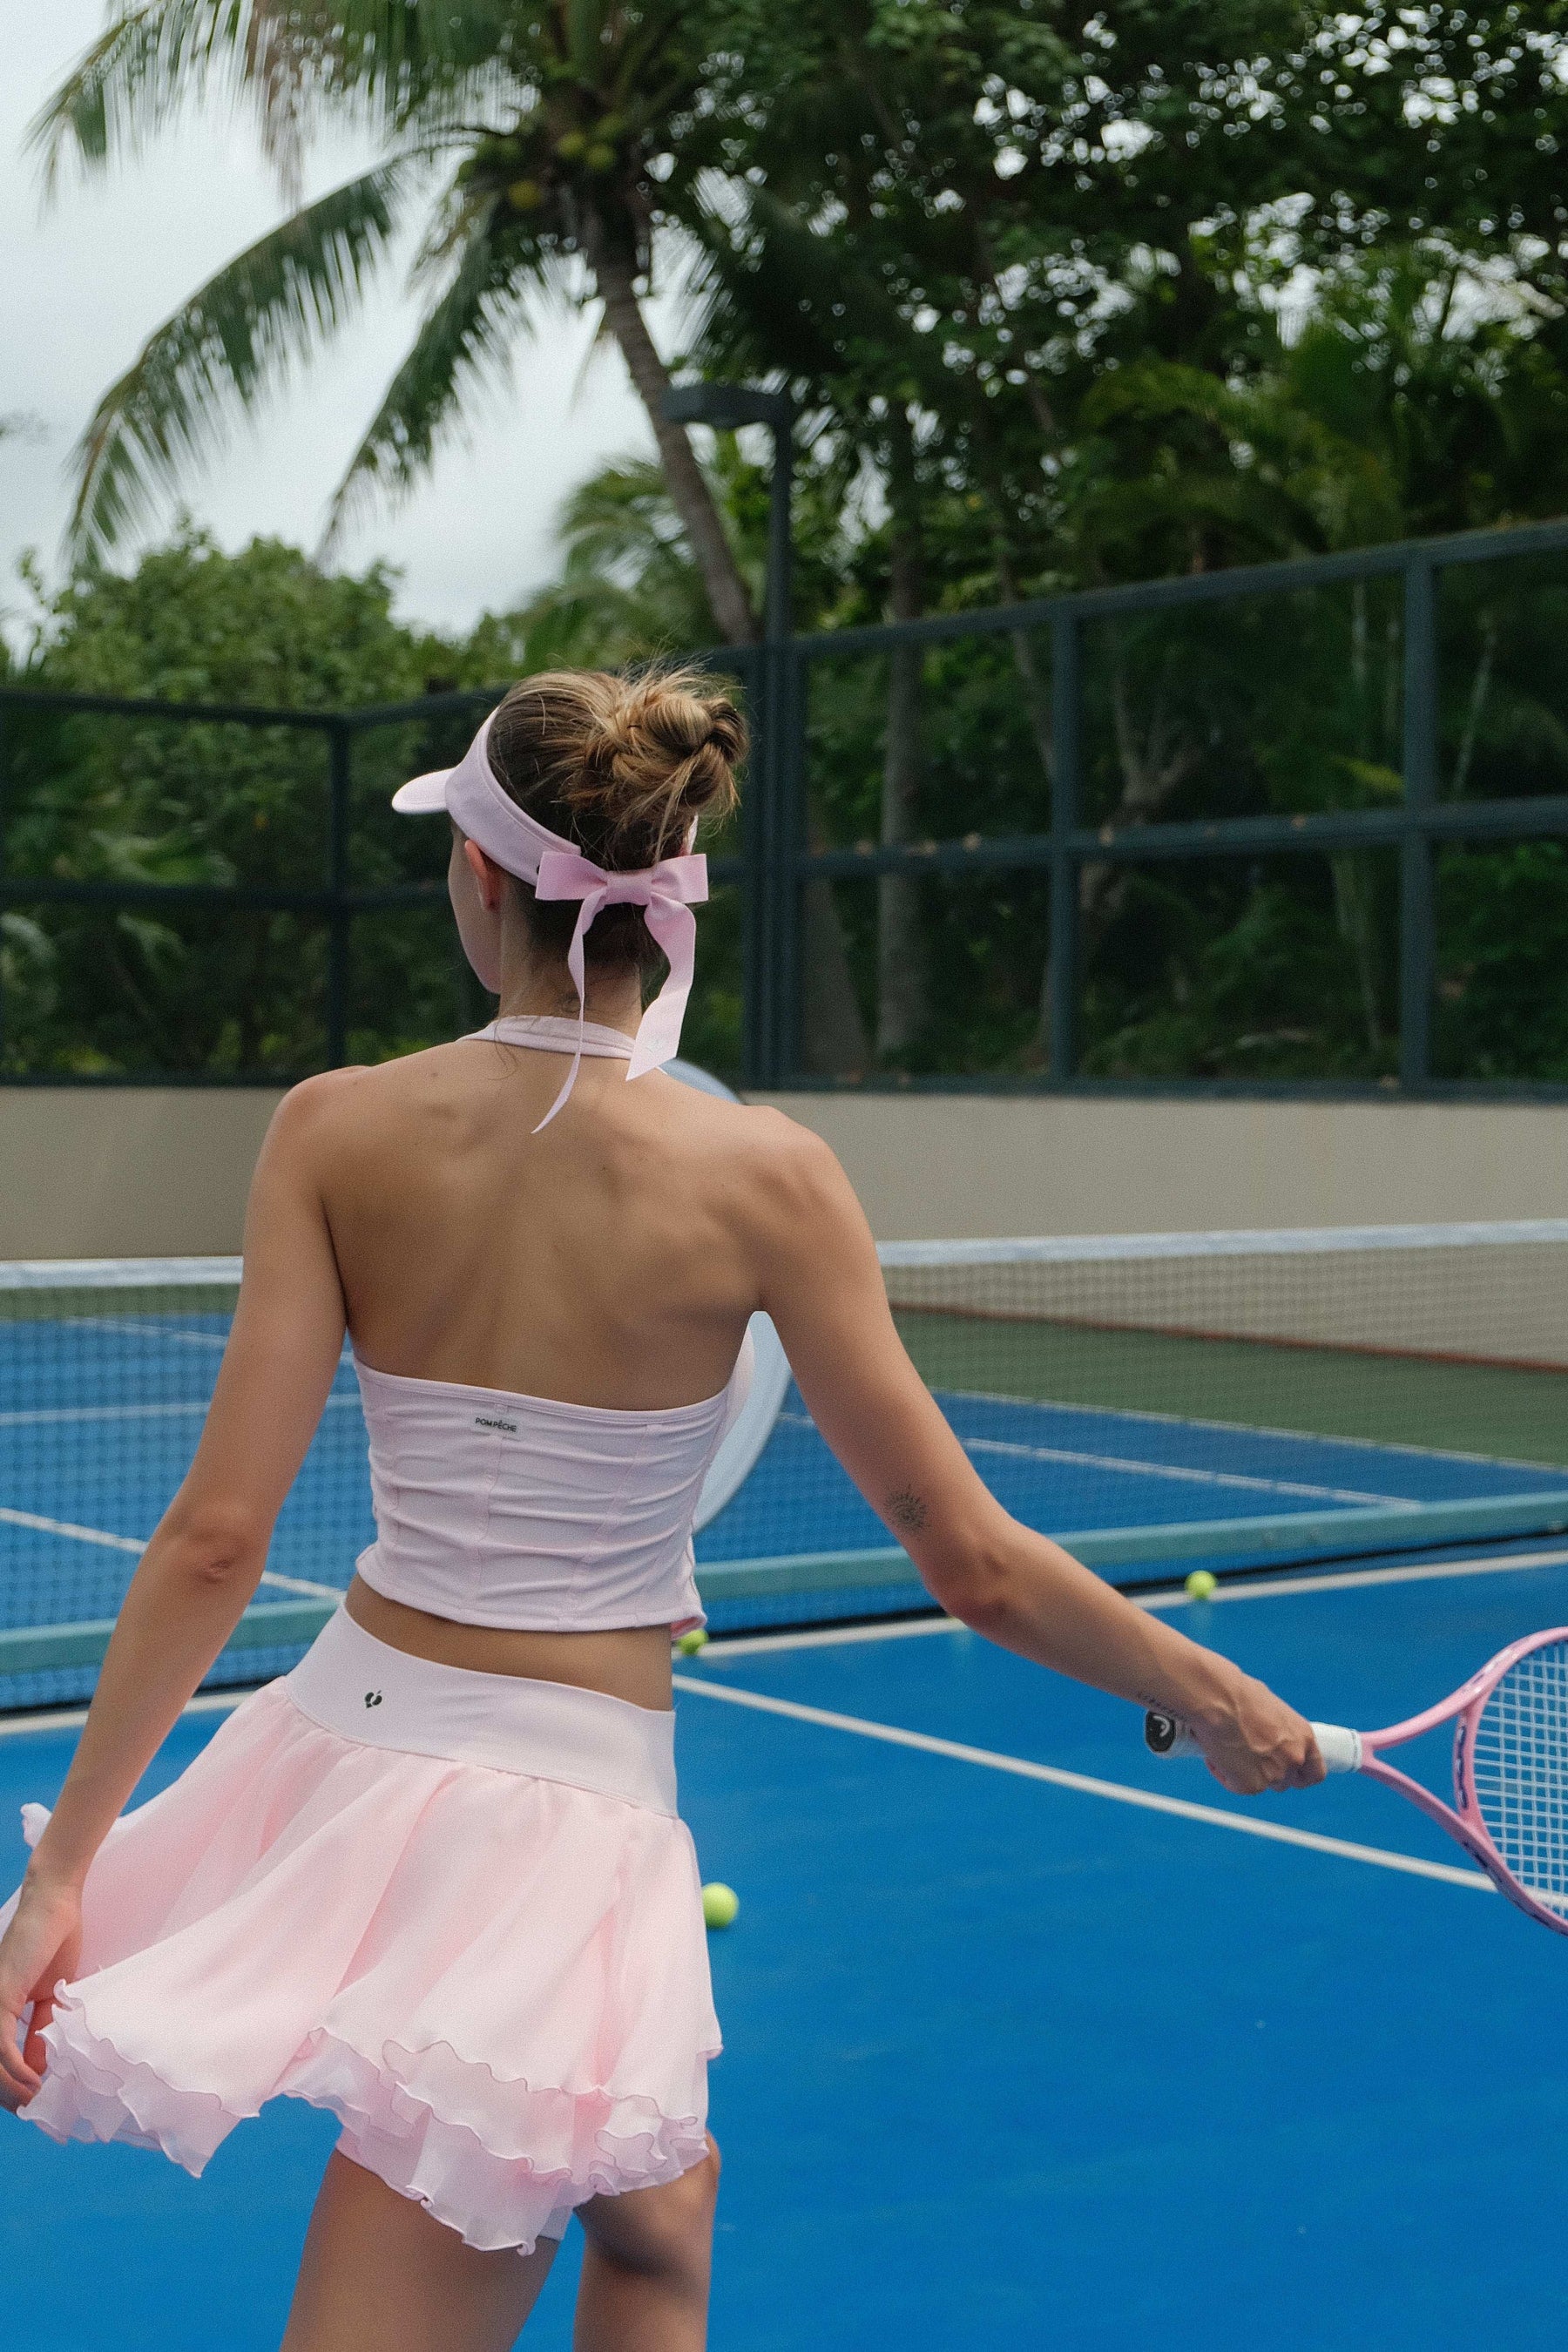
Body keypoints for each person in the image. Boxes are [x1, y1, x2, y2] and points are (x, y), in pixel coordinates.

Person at [0, 667, 1322, 2350]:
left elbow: (212, 1541)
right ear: (669, 898)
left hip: (345, 1735)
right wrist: (1208, 1695)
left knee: (656, 2212)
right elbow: (972, 1563)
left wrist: (66, 1869)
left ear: (482, 881)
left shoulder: (331, 1130)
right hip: (549, 1815)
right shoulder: (768, 1178)